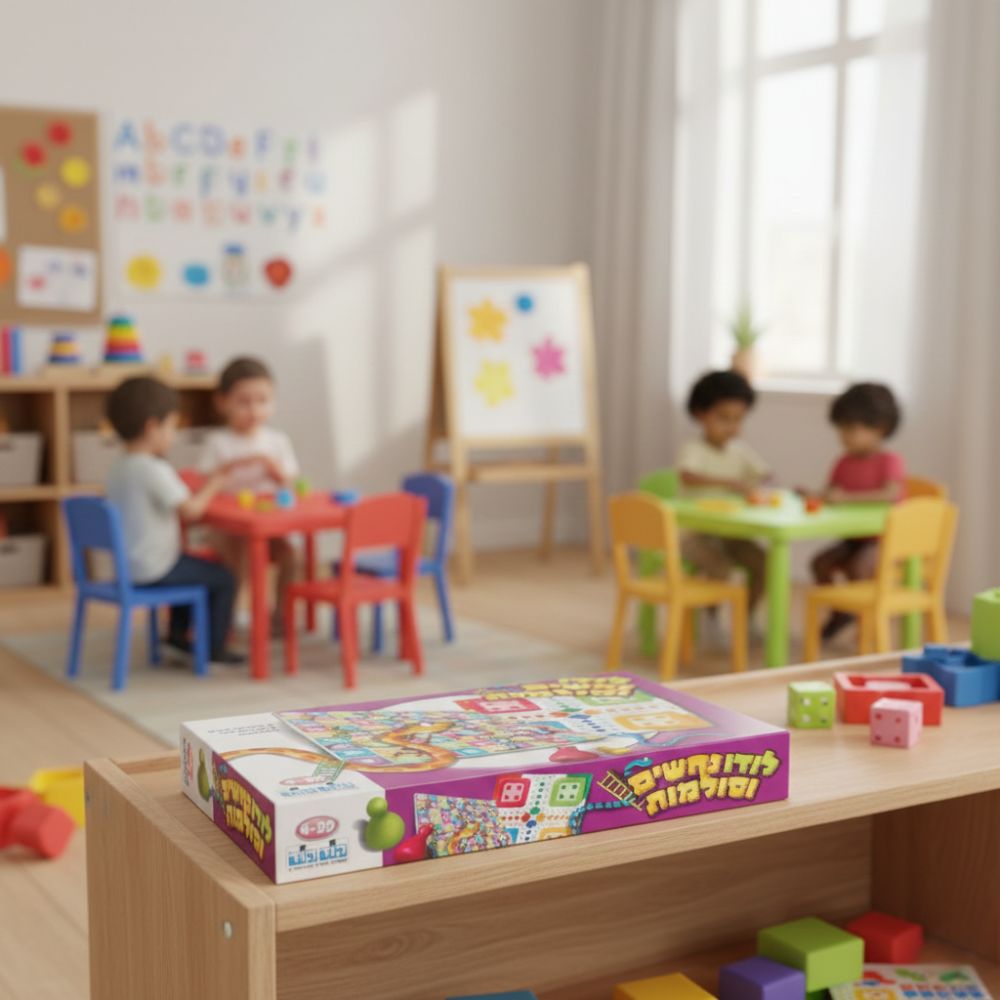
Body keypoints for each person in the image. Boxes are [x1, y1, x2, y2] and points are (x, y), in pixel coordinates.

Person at [105, 376, 244, 665]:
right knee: (223, 578)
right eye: (171, 427)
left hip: (127, 567)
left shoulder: (118, 466)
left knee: (191, 566)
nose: (174, 435)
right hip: (154, 568)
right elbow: (191, 511)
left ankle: (178, 637)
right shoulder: (154, 469)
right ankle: (215, 648)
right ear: (152, 427)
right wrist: (215, 484)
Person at [198, 356, 300, 631]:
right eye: (244, 402)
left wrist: (278, 473)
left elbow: (290, 486)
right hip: (228, 530)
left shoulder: (277, 441)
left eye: (262, 400)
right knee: (239, 555)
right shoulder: (218, 442)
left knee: (293, 555)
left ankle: (281, 615)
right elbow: (207, 488)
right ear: (222, 402)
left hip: (269, 525)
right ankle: (228, 616)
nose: (254, 409)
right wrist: (226, 471)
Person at [808, 382, 906, 642]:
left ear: (879, 428)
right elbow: (830, 492)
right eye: (840, 429)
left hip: (881, 541)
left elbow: (890, 494)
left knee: (859, 567)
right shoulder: (843, 462)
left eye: (851, 429)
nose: (843, 437)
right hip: (852, 538)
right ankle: (841, 612)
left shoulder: (889, 461)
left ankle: (866, 620)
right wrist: (817, 496)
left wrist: (847, 498)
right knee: (820, 563)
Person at [677, 370, 770, 610]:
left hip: (730, 531)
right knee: (720, 566)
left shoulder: (739, 450)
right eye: (723, 418)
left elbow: (764, 474)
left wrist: (760, 486)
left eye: (738, 419)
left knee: (764, 563)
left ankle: (745, 619)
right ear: (700, 414)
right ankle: (710, 616)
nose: (731, 426)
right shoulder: (694, 448)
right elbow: (687, 476)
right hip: (693, 533)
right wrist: (730, 483)